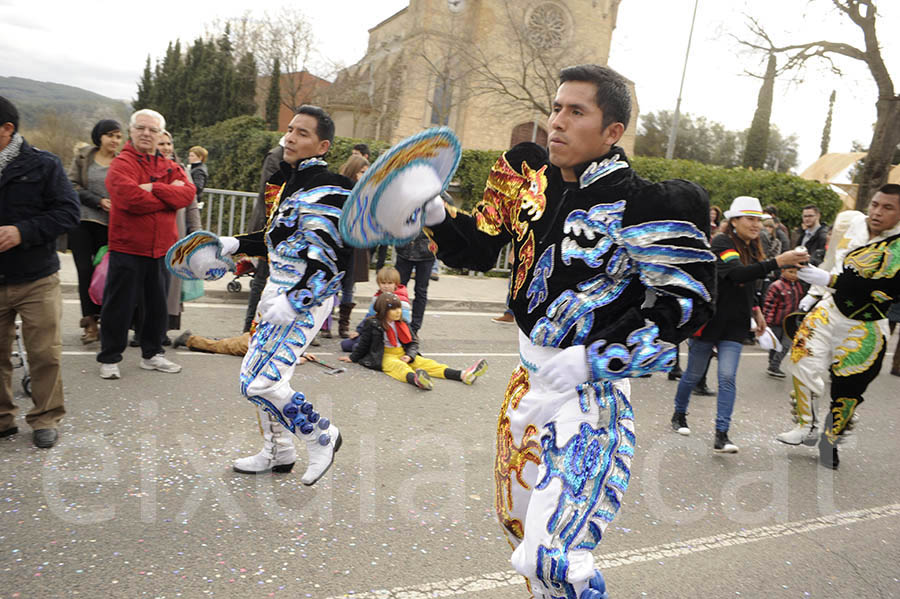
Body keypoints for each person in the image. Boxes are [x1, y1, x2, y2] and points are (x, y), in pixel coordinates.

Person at [365, 65, 718, 598]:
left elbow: (688, 306)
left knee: (552, 555)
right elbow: (477, 251)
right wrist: (432, 210)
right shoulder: (530, 176)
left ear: (612, 132)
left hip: (589, 397)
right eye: (556, 108)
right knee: (520, 532)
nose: (556, 122)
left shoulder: (641, 203)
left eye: (576, 112)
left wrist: (591, 360)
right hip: (526, 386)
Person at [184, 105, 348, 483]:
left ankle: (321, 434)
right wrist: (233, 243)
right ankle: (280, 452)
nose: (290, 137)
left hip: (305, 297)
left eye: (303, 133)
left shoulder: (333, 187)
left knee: (262, 383)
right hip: (274, 292)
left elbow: (333, 261)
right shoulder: (284, 181)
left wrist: (295, 301)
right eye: (290, 129)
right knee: (251, 376)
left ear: (322, 145)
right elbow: (276, 237)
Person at [776, 185, 900, 468]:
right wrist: (812, 293)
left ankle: (830, 441)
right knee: (801, 358)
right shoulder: (851, 223)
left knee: (848, 390)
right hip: (830, 309)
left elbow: (881, 289)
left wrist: (827, 280)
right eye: (875, 204)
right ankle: (805, 424)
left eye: (887, 208)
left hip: (867, 326)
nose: (877, 212)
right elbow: (834, 261)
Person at [671, 196, 808, 451]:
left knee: (727, 377)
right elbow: (736, 274)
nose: (756, 225)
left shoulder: (753, 248)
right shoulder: (722, 242)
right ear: (734, 221)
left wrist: (757, 312)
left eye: (759, 220)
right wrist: (779, 261)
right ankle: (679, 414)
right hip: (710, 321)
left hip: (734, 325)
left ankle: (721, 434)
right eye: (750, 219)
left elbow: (748, 286)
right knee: (692, 375)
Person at [0, 95, 80, 448]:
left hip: (36, 278)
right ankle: (3, 418)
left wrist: (22, 231)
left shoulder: (44, 165)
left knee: (45, 353)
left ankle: (45, 418)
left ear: (7, 129)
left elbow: (68, 213)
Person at [96, 109, 196, 380]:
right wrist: (167, 194)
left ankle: (152, 354)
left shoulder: (170, 165)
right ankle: (109, 357)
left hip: (162, 248)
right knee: (120, 304)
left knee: (157, 305)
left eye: (152, 130)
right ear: (131, 130)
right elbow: (128, 199)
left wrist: (154, 189)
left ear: (160, 134)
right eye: (141, 128)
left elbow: (187, 194)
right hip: (127, 246)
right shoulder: (122, 163)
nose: (146, 134)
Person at [339, 292, 486, 389]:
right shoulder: (373, 323)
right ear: (383, 310)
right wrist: (353, 358)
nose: (398, 311)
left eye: (399, 308)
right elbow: (364, 344)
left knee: (428, 364)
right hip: (384, 355)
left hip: (403, 352)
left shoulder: (402, 323)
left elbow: (413, 342)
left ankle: (463, 375)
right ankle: (417, 380)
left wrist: (409, 355)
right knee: (398, 367)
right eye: (393, 309)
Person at [67, 119, 121, 343]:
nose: (115, 140)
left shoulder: (122, 161)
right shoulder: (83, 157)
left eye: (118, 136)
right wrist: (98, 201)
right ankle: (90, 323)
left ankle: (104, 319)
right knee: (84, 270)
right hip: (82, 221)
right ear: (99, 136)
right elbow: (72, 185)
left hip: (108, 225)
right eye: (111, 135)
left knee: (104, 274)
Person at [157, 131, 201, 337]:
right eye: (161, 143)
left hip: (177, 232)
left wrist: (197, 233)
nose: (166, 147)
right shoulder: (145, 169)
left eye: (169, 143)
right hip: (152, 232)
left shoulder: (182, 170)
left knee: (172, 283)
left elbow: (191, 204)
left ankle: (163, 328)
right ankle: (142, 328)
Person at [333, 154, 371, 338]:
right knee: (329, 285)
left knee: (349, 286)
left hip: (355, 244)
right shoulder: (340, 189)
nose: (365, 175)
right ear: (353, 171)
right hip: (336, 243)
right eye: (362, 172)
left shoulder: (365, 192)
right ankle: (322, 325)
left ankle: (343, 326)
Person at [341, 266, 410, 352]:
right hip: (375, 331)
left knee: (357, 348)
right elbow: (370, 317)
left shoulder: (401, 301)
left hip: (390, 335)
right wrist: (359, 331)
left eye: (389, 283)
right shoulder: (377, 297)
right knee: (345, 345)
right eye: (383, 283)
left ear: (396, 284)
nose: (386, 286)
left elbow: (405, 323)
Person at [762, 265, 803, 378]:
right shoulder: (776, 286)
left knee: (786, 345)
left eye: (796, 272)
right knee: (775, 344)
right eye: (791, 272)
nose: (794, 275)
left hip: (790, 322)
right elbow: (769, 305)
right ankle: (772, 363)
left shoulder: (798, 286)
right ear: (783, 271)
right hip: (776, 321)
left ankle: (775, 365)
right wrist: (767, 322)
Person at [395, 228, 437, 334]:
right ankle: (395, 323)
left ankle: (414, 329)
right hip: (404, 249)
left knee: (421, 291)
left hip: (426, 251)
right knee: (397, 290)